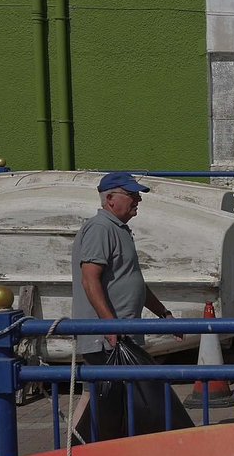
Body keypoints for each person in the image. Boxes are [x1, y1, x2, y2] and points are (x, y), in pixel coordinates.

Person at [70, 171, 182, 441]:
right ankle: (78, 455)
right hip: (107, 339)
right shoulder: (101, 228)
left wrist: (163, 314)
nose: (137, 201)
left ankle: (72, 453)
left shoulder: (118, 229)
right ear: (110, 198)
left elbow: (134, 283)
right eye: (131, 195)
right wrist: (110, 324)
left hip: (117, 336)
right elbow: (90, 279)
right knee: (104, 396)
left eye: (137, 196)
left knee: (96, 394)